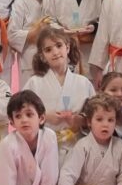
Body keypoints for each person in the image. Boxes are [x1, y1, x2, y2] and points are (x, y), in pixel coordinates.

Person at [24, 26, 95, 163]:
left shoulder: (84, 83)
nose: (55, 52)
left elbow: (93, 116)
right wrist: (44, 116)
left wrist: (77, 120)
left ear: (67, 47)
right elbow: (21, 112)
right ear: (42, 56)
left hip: (76, 146)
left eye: (59, 45)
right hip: (43, 146)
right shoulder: (34, 83)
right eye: (48, 50)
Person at [8, 0, 55, 87]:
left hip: (50, 57)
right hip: (29, 59)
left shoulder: (48, 1)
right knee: (30, 93)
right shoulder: (20, 3)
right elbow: (12, 35)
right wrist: (34, 32)